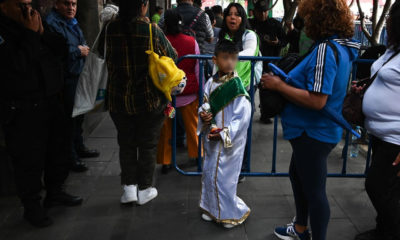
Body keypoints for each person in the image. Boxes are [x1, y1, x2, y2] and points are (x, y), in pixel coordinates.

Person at [260, 0, 360, 239]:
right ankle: (301, 228)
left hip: (313, 132)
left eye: (307, 17)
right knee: (298, 176)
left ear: (317, 18)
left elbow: (318, 101)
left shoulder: (326, 49)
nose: (304, 24)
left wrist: (279, 86)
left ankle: (314, 234)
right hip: (312, 131)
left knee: (315, 192)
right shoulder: (337, 47)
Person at [0, 0, 83, 228]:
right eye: (21, 5)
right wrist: (30, 35)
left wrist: (42, 32)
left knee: (58, 150)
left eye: (29, 4)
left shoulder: (37, 24)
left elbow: (61, 48)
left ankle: (55, 191)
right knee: (29, 160)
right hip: (22, 107)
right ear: (4, 6)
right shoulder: (6, 31)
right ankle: (32, 207)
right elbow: (16, 64)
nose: (27, 10)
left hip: (50, 99)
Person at [102, 0, 177, 205]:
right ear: (143, 5)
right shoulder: (151, 30)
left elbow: (100, 53)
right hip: (149, 100)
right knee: (147, 144)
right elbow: (172, 55)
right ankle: (144, 188)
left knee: (126, 143)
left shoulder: (109, 29)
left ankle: (128, 189)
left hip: (118, 99)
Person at [356, 1, 400, 240]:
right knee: (390, 190)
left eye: (393, 17)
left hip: (397, 138)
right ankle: (383, 230)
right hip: (381, 134)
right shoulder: (393, 50)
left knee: (377, 187)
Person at [198, 39, 252, 229]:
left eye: (234, 58)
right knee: (209, 173)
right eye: (225, 58)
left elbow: (242, 117)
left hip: (229, 142)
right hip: (212, 138)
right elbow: (205, 103)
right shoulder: (210, 83)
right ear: (215, 59)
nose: (230, 62)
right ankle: (211, 208)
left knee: (225, 179)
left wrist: (223, 134)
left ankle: (229, 213)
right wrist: (204, 116)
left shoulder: (236, 87)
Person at [46, 0, 100, 173]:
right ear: (56, 5)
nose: (71, 8)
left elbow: (81, 42)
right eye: (67, 4)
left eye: (74, 4)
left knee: (79, 115)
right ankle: (70, 157)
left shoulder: (72, 22)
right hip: (66, 77)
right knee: (69, 119)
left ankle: (79, 146)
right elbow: (57, 50)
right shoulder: (52, 23)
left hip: (78, 75)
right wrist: (77, 51)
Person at [157, 9, 200, 174]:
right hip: (188, 96)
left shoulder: (161, 42)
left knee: (166, 128)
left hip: (167, 98)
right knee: (192, 127)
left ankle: (166, 161)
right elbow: (197, 69)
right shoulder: (191, 42)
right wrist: (201, 90)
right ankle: (197, 155)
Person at [249, 0, 287, 124]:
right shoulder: (249, 24)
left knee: (266, 90)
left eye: (265, 12)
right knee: (250, 88)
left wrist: (277, 43)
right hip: (252, 63)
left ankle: (265, 114)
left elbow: (284, 41)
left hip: (269, 62)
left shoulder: (275, 24)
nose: (263, 14)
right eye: (260, 12)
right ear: (255, 12)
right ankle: (247, 112)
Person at [203, 9, 220, 78]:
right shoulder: (220, 32)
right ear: (214, 22)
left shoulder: (198, 34)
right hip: (215, 67)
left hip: (203, 65)